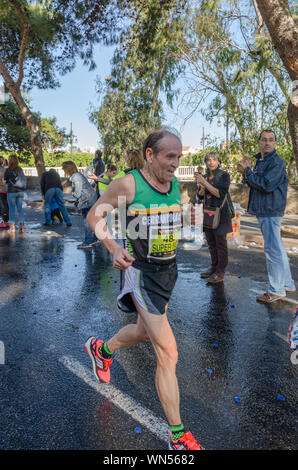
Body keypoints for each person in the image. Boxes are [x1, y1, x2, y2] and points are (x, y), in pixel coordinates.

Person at [84, 129, 203, 451]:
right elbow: (94, 213)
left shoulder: (174, 182)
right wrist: (111, 247)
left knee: (141, 331)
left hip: (168, 272)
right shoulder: (128, 184)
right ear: (150, 155)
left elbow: (167, 219)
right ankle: (178, 437)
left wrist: (186, 217)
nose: (175, 163)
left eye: (179, 157)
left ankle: (102, 350)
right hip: (141, 274)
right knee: (168, 352)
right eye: (169, 156)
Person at [237, 129, 296, 303]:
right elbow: (254, 182)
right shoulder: (262, 161)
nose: (268, 143)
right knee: (277, 249)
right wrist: (246, 171)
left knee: (272, 251)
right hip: (266, 209)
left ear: (275, 143)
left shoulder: (276, 162)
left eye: (271, 140)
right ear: (259, 142)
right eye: (264, 140)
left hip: (270, 210)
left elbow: (266, 185)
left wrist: (248, 171)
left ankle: (276, 289)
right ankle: (287, 285)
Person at [196, 152, 232, 284]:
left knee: (220, 243)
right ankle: (213, 267)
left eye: (214, 160)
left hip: (220, 213)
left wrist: (204, 182)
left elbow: (219, 194)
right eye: (208, 160)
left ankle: (220, 271)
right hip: (207, 212)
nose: (211, 162)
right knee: (211, 242)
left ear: (218, 162)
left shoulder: (224, 175)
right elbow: (200, 196)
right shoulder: (205, 176)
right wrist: (201, 186)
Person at [62, 161, 98, 249]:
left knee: (87, 221)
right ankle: (94, 239)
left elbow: (77, 193)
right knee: (91, 221)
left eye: (64, 168)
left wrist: (73, 194)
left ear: (68, 169)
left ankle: (88, 242)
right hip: (90, 199)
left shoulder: (76, 177)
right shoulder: (77, 175)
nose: (63, 170)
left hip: (87, 201)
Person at [3, 154, 26, 233]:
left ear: (9, 161)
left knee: (12, 209)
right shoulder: (20, 169)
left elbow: (5, 181)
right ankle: (22, 226)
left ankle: (12, 228)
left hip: (11, 192)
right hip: (20, 191)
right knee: (20, 209)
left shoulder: (8, 170)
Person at [0, 156, 9, 228]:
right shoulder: (6, 170)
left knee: (2, 206)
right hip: (5, 190)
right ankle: (6, 221)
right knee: (5, 205)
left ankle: (3, 221)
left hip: (1, 190)